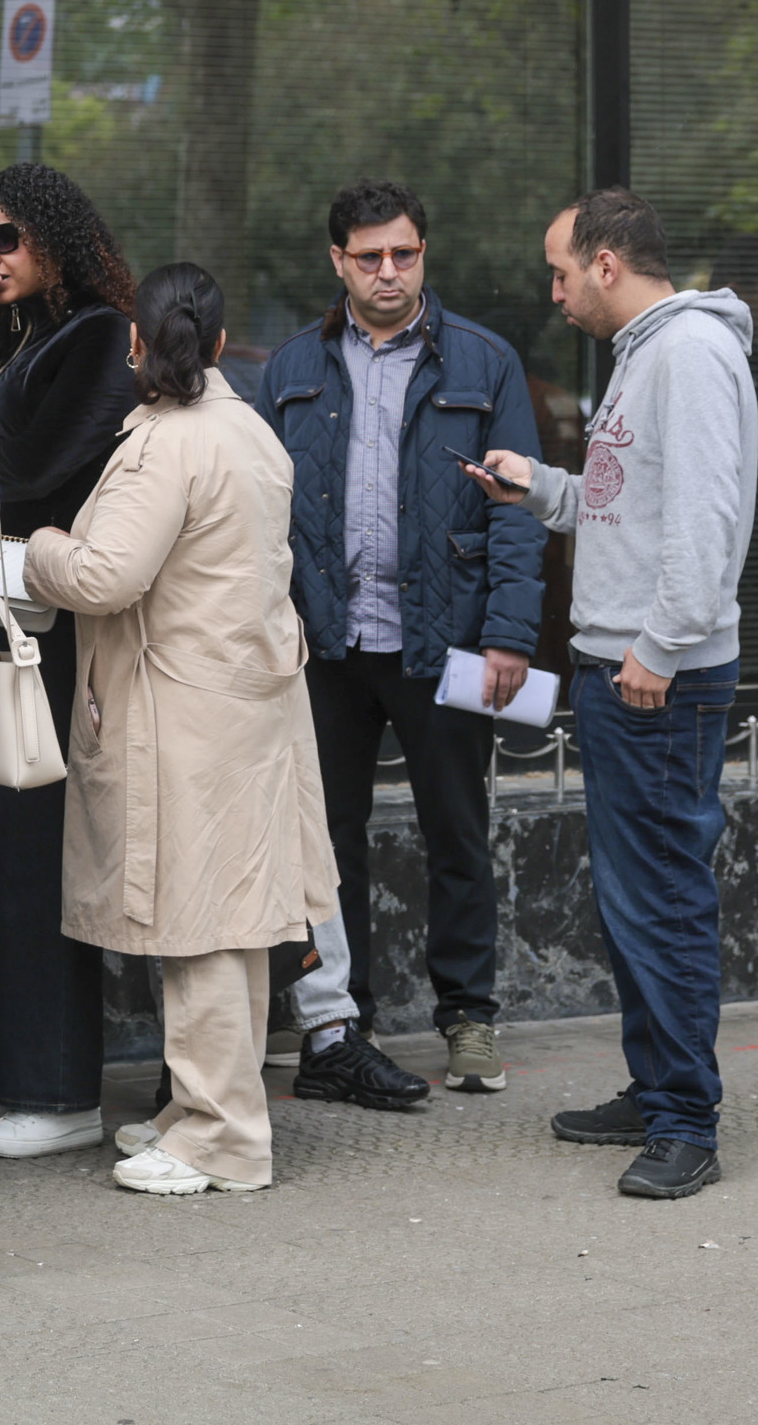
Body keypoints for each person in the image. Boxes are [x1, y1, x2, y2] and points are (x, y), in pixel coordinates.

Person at [24, 263, 340, 1198]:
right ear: (219, 342)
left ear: (136, 344)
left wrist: (37, 548)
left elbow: (103, 577)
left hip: (183, 715)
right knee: (232, 926)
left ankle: (222, 1138)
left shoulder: (169, 443)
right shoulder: (250, 431)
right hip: (244, 710)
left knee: (201, 928)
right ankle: (204, 1113)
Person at [472, 189, 757, 1201]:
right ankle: (656, 1091)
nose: (553, 295)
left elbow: (706, 519)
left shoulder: (690, 352)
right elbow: (628, 505)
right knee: (635, 901)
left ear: (605, 264)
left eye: (560, 273)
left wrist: (661, 648)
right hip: (627, 670)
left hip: (655, 680)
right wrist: (542, 489)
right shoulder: (646, 353)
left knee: (663, 901)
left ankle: (685, 1123)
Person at [256, 177, 543, 1103]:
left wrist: (508, 635)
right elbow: (256, 513)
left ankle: (468, 1017)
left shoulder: (484, 363)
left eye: (405, 253)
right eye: (371, 256)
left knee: (456, 831)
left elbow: (518, 511)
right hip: (327, 646)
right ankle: (342, 1020)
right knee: (325, 841)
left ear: (424, 254)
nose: (390, 271)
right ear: (337, 261)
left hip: (446, 640)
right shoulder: (291, 367)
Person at [0, 162, 140, 1159]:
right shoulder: (8, 335)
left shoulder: (97, 334)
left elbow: (33, 467)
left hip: (48, 633)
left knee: (32, 856)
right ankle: (12, 1075)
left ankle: (58, 1090)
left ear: (51, 236)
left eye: (5, 237)